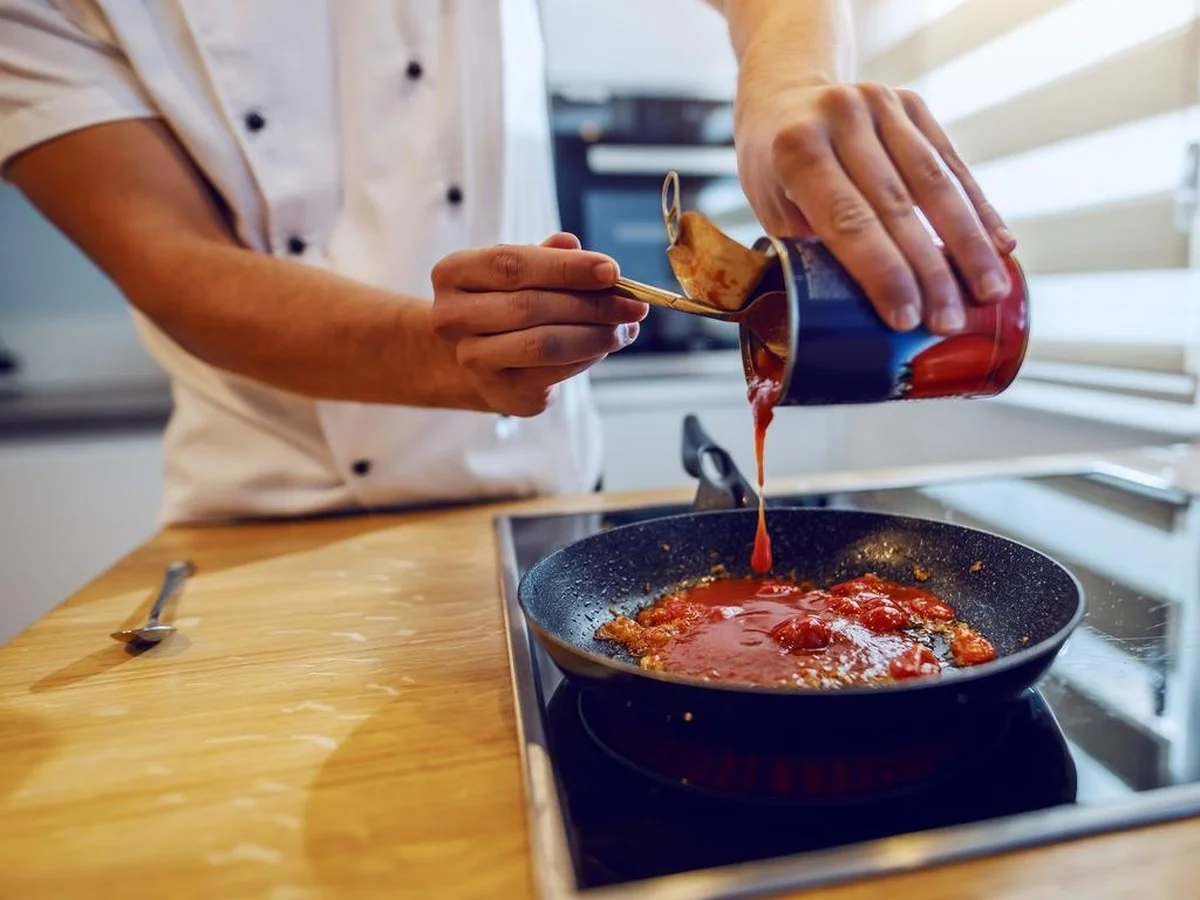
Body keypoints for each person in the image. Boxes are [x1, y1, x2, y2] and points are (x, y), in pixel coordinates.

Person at [0, 1, 1014, 524]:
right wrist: (437, 350)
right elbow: (170, 260)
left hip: (541, 492)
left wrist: (784, 87)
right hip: (273, 505)